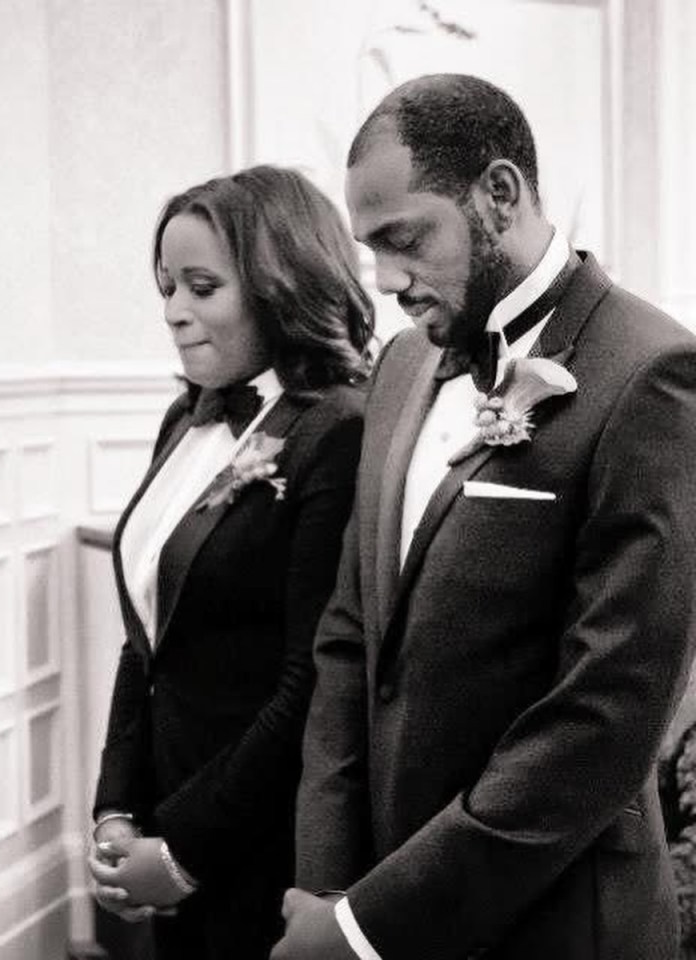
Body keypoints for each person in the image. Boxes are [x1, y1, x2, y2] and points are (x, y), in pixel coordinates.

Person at [272, 74, 696, 960]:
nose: (386, 280)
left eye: (406, 239)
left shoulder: (654, 374)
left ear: (498, 194)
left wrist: (368, 926)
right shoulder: (397, 369)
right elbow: (350, 641)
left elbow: (603, 718)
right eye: (370, 248)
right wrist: (326, 889)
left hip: (559, 922)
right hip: (378, 901)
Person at [88, 164, 374, 960]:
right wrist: (115, 810)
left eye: (202, 287)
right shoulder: (187, 414)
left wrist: (185, 849)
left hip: (262, 841)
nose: (174, 313)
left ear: (280, 283)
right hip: (162, 817)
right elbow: (145, 640)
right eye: (166, 288)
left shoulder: (337, 432)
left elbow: (312, 682)